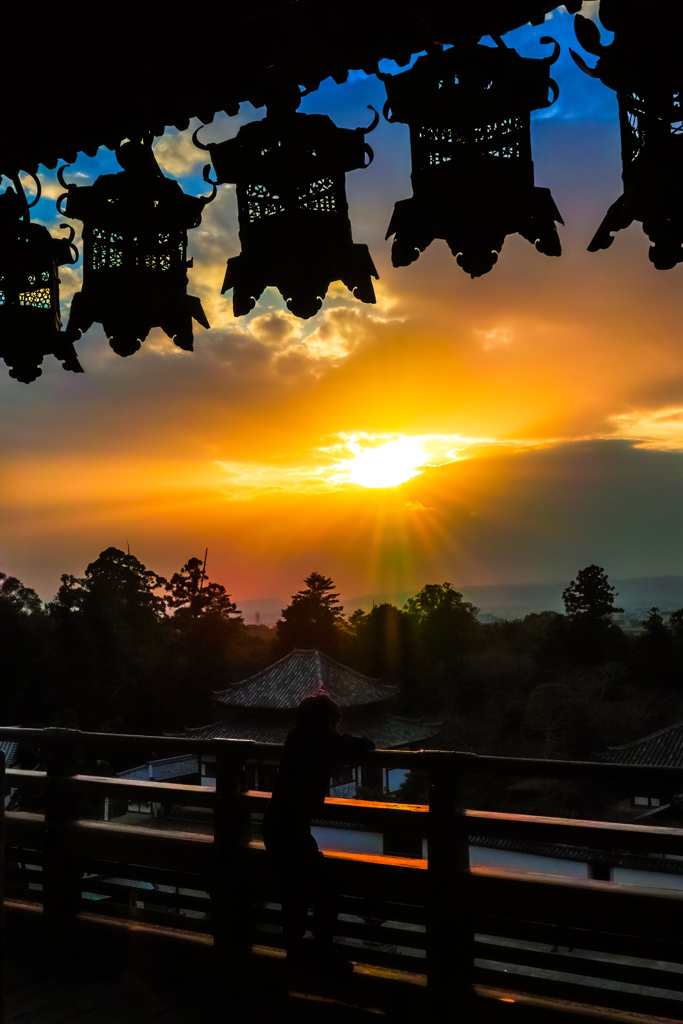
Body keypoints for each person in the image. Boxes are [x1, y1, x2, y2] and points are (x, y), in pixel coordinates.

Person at [262, 692, 376, 976]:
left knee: (294, 890)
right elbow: (365, 744)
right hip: (291, 831)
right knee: (324, 889)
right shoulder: (323, 741)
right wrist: (339, 737)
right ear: (327, 721)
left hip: (278, 826)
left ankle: (297, 952)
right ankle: (322, 951)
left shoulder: (296, 738)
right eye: (335, 721)